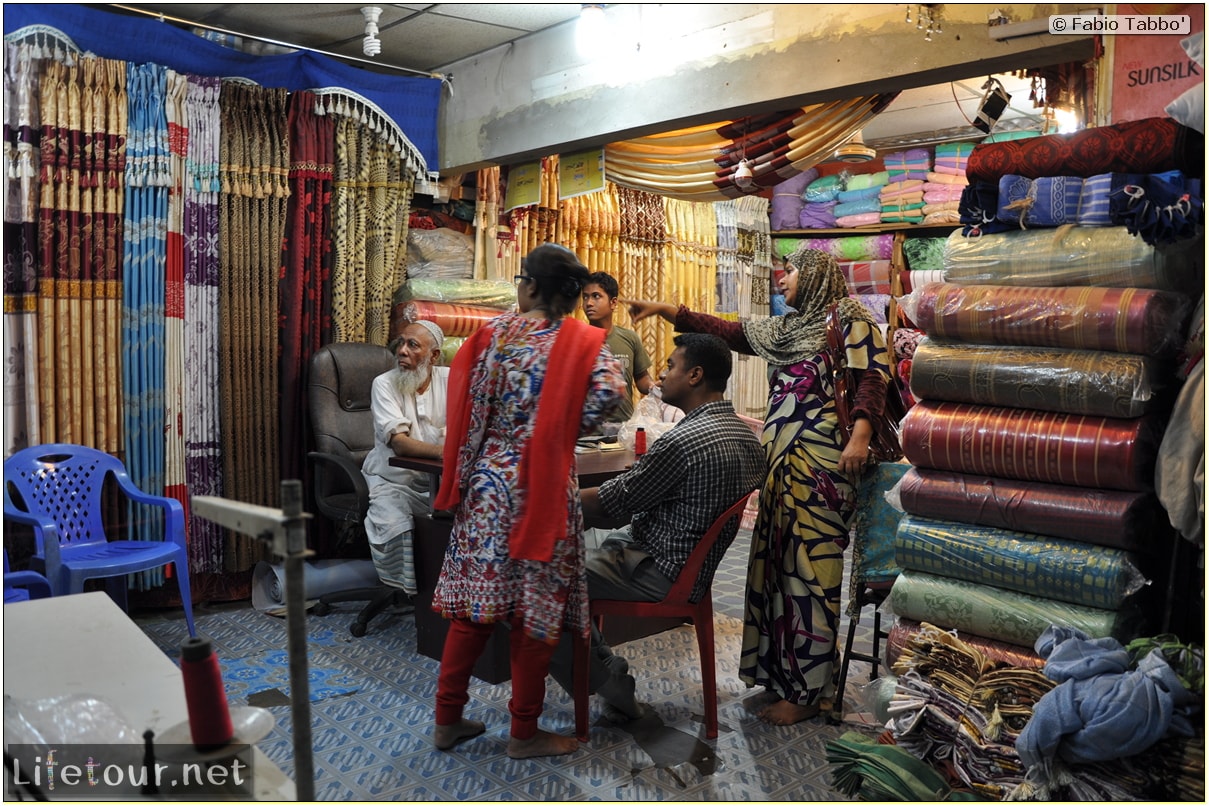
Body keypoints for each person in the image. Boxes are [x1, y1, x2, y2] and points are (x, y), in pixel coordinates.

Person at [625, 246, 893, 726]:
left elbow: (872, 374)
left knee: (811, 575)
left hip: (821, 470)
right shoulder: (789, 330)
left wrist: (860, 435)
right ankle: (784, 677)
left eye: (790, 271)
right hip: (781, 471)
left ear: (814, 275)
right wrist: (669, 310)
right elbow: (730, 331)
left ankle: (808, 691)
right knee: (776, 570)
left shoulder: (847, 318)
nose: (782, 279)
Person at [429, 243, 626, 759]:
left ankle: (447, 720)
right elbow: (611, 391)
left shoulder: (492, 335)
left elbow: (466, 403)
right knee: (535, 615)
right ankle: (523, 732)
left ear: (531, 286)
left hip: (489, 487)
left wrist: (466, 474)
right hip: (541, 489)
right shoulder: (584, 341)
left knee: (474, 608)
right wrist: (561, 429)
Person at [546, 333, 766, 719]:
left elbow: (614, 504)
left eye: (670, 366)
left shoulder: (682, 441)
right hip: (693, 570)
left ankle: (610, 685)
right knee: (572, 548)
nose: (660, 376)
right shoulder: (745, 437)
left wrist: (548, 500)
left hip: (658, 570)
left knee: (542, 581)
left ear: (695, 375)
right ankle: (605, 667)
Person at [360, 319, 449, 595]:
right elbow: (400, 445)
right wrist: (448, 452)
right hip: (392, 480)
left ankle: (447, 595)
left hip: (441, 481)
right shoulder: (383, 384)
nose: (402, 351)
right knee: (397, 528)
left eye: (413, 345)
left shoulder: (453, 380)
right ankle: (415, 599)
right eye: (401, 343)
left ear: (433, 355)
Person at [582, 271, 654, 422]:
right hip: (585, 435)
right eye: (585, 297)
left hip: (622, 431)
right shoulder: (577, 341)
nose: (588, 303)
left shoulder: (629, 338)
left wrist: (659, 387)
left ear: (613, 303)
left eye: (596, 296)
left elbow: (642, 381)